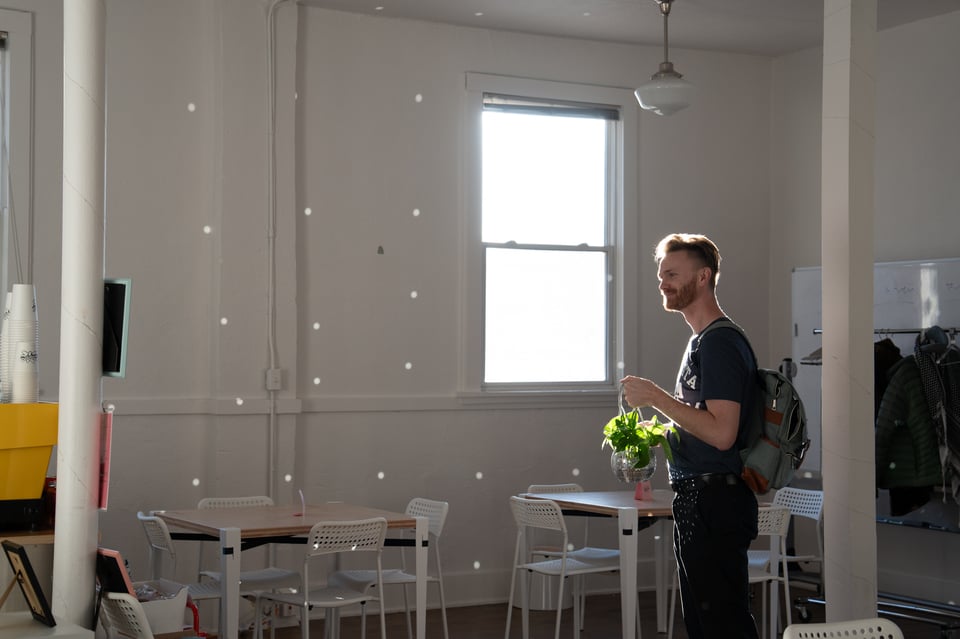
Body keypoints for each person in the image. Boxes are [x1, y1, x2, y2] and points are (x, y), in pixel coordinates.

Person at [621, 233, 760, 639]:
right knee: (706, 625)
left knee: (723, 626)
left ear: (703, 277)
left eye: (672, 274)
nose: (662, 282)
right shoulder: (700, 340)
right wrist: (663, 431)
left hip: (716, 502)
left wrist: (657, 397)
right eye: (661, 273)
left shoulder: (719, 343)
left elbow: (721, 433)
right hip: (698, 500)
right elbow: (704, 422)